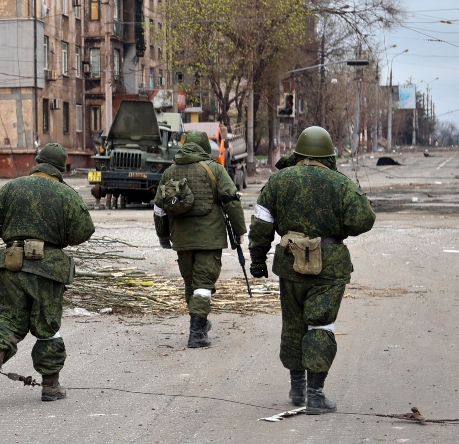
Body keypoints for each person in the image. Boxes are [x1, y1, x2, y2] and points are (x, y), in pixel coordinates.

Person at [248, 126, 376, 414]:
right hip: (329, 266)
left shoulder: (278, 181)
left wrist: (258, 260)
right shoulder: (340, 183)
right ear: (329, 155)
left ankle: (296, 387)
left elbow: (261, 225)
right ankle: (315, 395)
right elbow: (364, 220)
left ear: (299, 153)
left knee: (293, 324)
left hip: (290, 264)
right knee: (320, 324)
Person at [0, 143, 95, 401]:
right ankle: (50, 386)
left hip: (12, 263)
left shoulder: (12, 187)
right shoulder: (67, 194)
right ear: (62, 167)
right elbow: (84, 231)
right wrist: (58, 238)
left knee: (7, 318)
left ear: (37, 161)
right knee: (47, 326)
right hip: (48, 268)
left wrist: (14, 237)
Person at [153, 130, 246, 348]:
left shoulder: (170, 172)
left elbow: (159, 208)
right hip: (209, 238)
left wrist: (163, 235)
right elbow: (231, 201)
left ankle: (200, 324)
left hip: (181, 239)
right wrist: (239, 231)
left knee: (191, 282)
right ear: (205, 147)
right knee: (203, 284)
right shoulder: (214, 169)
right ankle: (196, 334)